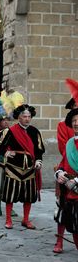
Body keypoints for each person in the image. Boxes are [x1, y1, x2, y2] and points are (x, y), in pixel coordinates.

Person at [0, 104, 45, 229]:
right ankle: (8, 220)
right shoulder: (10, 131)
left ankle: (25, 219)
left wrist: (39, 161)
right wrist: (5, 153)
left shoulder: (35, 131)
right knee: (10, 195)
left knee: (29, 196)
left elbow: (39, 149)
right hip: (13, 167)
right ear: (19, 117)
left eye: (29, 116)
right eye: (24, 116)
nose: (27, 119)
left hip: (30, 168)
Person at [53, 98, 77, 253]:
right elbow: (65, 157)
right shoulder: (66, 134)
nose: (76, 122)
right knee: (63, 211)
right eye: (74, 120)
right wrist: (60, 173)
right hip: (67, 180)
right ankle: (59, 241)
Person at [0, 114, 18, 217]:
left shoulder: (12, 133)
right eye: (4, 120)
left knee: (10, 187)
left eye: (7, 120)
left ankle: (10, 209)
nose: (6, 122)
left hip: (10, 163)